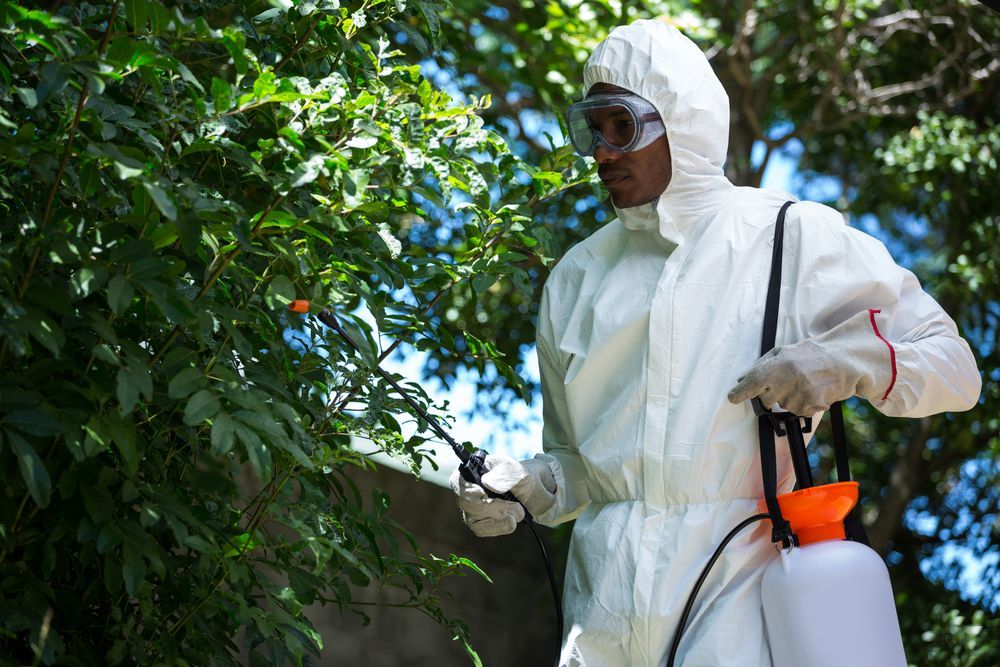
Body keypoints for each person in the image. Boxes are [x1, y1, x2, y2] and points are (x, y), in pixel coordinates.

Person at [450, 18, 982, 667]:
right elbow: (580, 474)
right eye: (594, 129)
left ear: (684, 118)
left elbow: (953, 365)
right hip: (601, 626)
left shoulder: (789, 237)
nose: (603, 152)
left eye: (624, 126)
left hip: (743, 607)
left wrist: (845, 362)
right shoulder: (574, 282)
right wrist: (527, 486)